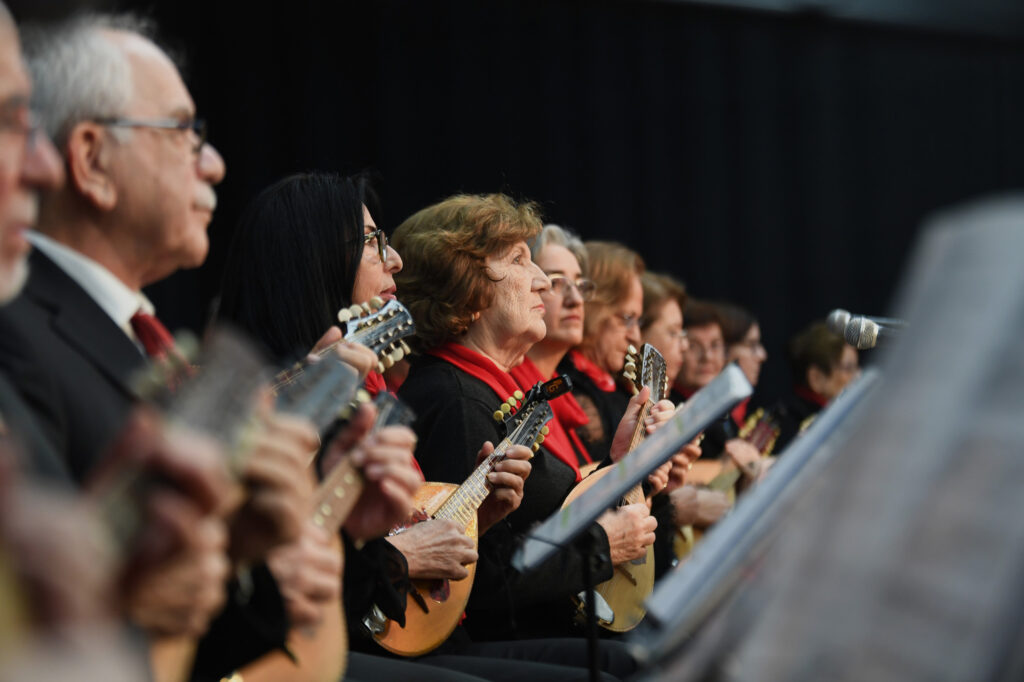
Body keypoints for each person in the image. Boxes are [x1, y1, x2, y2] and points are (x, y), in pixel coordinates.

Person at [0, 14, 330, 679]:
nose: (214, 162)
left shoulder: (134, 337)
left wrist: (234, 557)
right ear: (93, 160)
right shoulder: (17, 332)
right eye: (184, 131)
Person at [217, 174, 625, 682]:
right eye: (372, 243)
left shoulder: (373, 389)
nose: (395, 262)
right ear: (317, 260)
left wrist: (481, 515)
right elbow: (258, 583)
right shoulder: (444, 398)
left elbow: (417, 542)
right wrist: (398, 558)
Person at [394, 195, 672, 675]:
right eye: (520, 260)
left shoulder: (489, 390)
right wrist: (600, 548)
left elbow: (548, 519)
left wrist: (624, 464)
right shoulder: (457, 401)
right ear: (469, 286)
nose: (542, 279)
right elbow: (481, 586)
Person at [772, 320, 860, 451]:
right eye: (848, 369)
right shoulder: (798, 426)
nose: (858, 376)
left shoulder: (781, 413)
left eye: (856, 368)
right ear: (816, 378)